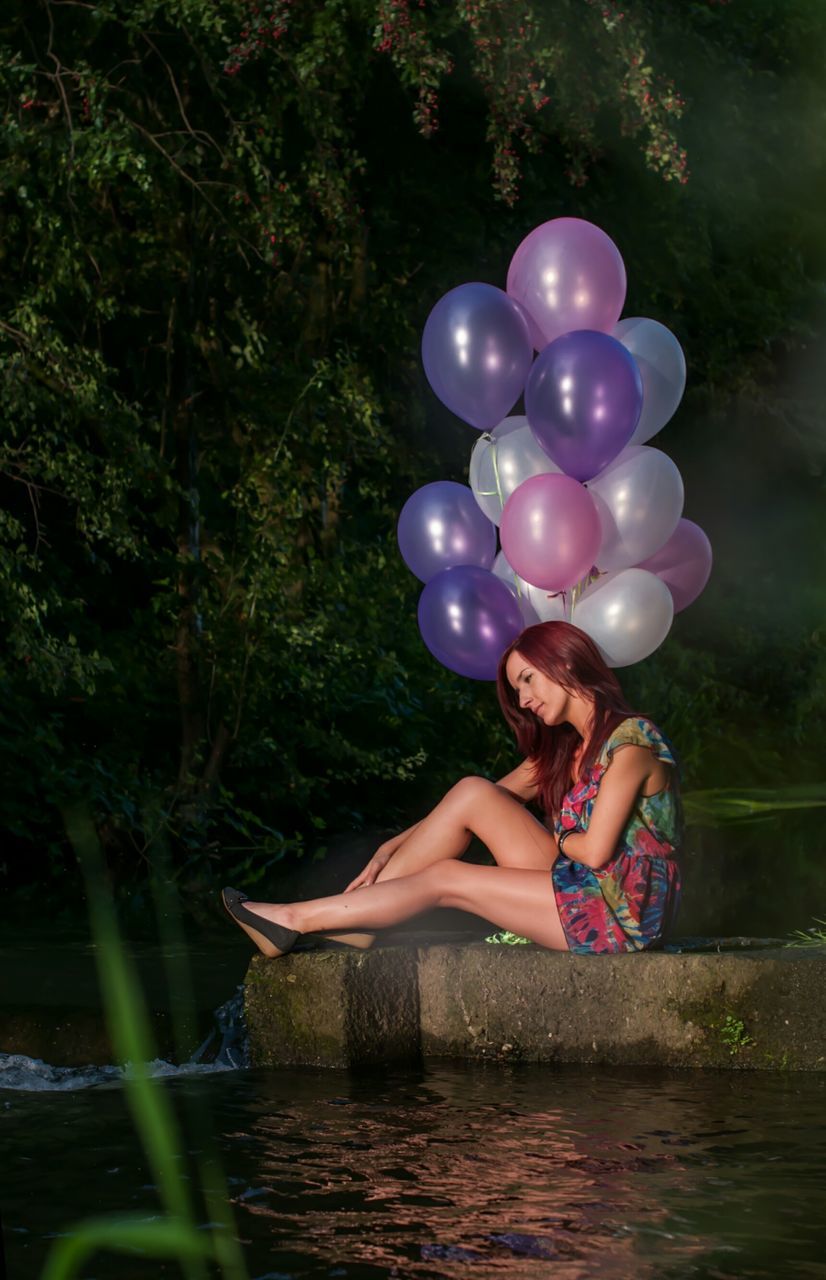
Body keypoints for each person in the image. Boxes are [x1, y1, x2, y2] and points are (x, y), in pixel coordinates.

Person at [222, 621, 682, 957]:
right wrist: (390, 845)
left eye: (527, 679)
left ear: (563, 662)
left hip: (619, 915)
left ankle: (294, 919)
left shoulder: (632, 745)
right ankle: (357, 919)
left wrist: (561, 836)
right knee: (472, 790)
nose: (523, 699)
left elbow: (598, 851)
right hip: (579, 887)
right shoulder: (571, 750)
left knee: (447, 878)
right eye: (517, 688)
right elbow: (462, 807)